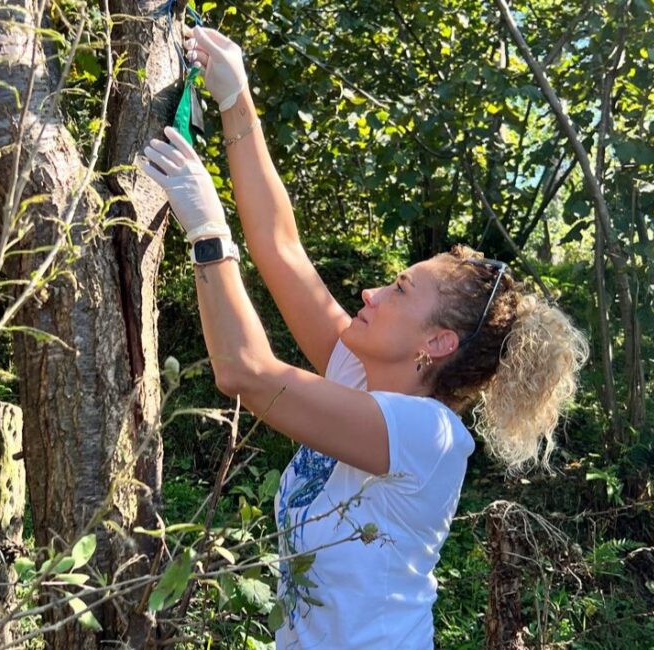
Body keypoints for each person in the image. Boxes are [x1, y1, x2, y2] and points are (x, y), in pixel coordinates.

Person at [142, 26, 589, 650]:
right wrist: (236, 101)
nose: (370, 294)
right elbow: (282, 250)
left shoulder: (427, 436)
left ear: (435, 344)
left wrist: (209, 234)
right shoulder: (359, 373)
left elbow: (246, 371)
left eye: (400, 291)